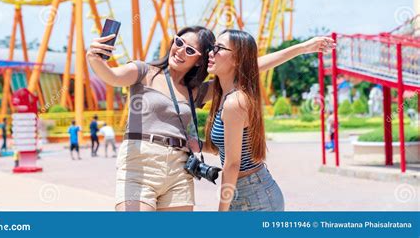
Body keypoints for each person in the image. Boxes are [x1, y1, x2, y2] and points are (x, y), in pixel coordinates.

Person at [202, 29, 335, 211]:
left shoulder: (234, 101)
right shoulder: (222, 93)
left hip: (253, 196)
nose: (211, 52)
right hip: (246, 192)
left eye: (219, 48)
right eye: (212, 47)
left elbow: (232, 165)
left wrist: (221, 210)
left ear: (237, 59)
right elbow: (257, 65)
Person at [87, 26, 215, 211]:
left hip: (179, 168)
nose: (179, 50)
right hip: (139, 165)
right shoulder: (144, 72)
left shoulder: (194, 91)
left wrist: (273, 56)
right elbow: (112, 77)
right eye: (179, 42)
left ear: (199, 61)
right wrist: (93, 57)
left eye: (189, 50)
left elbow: (240, 76)